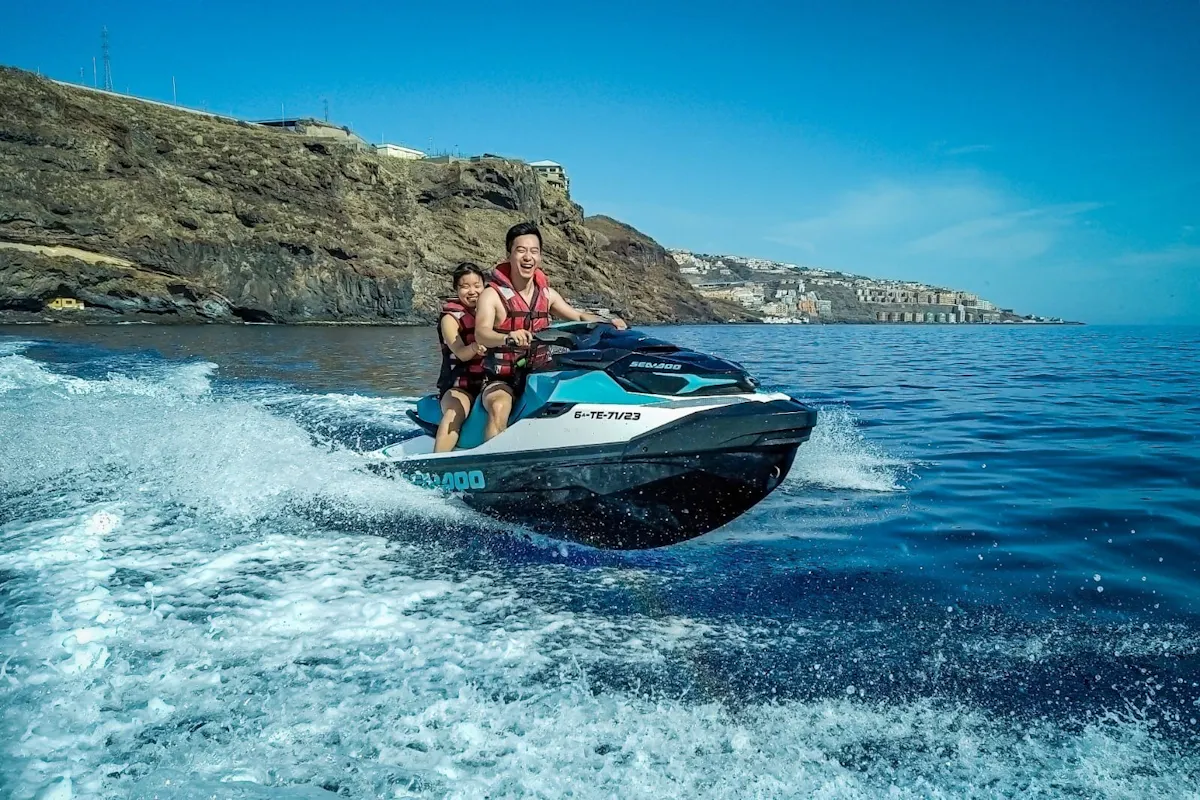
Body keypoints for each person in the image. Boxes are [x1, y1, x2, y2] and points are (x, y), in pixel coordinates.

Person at [473, 221, 627, 440]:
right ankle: (493, 465)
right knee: (500, 406)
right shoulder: (492, 295)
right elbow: (482, 333)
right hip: (502, 378)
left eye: (534, 251)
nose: (528, 257)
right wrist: (507, 337)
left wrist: (608, 321)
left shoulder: (547, 295)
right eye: (521, 250)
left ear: (540, 257)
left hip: (541, 372)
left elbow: (579, 316)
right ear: (509, 255)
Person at [433, 262, 488, 452]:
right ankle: (437, 464)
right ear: (457, 289)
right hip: (459, 385)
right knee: (455, 411)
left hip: (490, 381)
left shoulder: (491, 313)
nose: (472, 291)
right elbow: (461, 353)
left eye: (477, 285)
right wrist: (475, 347)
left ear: (484, 287)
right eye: (465, 286)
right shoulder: (450, 319)